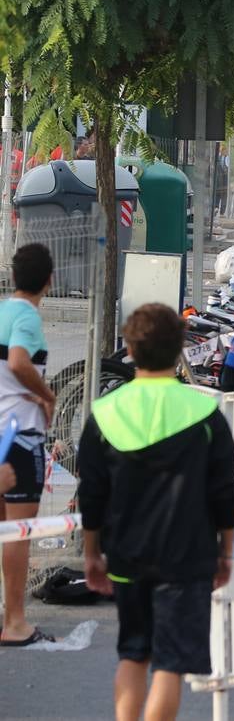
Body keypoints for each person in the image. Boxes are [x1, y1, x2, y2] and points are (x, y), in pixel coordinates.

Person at [78, 304, 234, 719]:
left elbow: (92, 494)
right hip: (187, 555)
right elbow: (225, 492)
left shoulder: (105, 412)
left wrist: (92, 552)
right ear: (179, 349)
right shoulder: (205, 413)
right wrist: (226, 552)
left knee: (133, 653)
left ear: (131, 349)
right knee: (170, 662)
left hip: (127, 552)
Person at [0, 243, 57, 646]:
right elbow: (19, 361)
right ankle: (16, 622)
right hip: (19, 437)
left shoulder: (3, 310)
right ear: (49, 281)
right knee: (18, 532)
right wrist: (47, 394)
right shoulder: (27, 315)